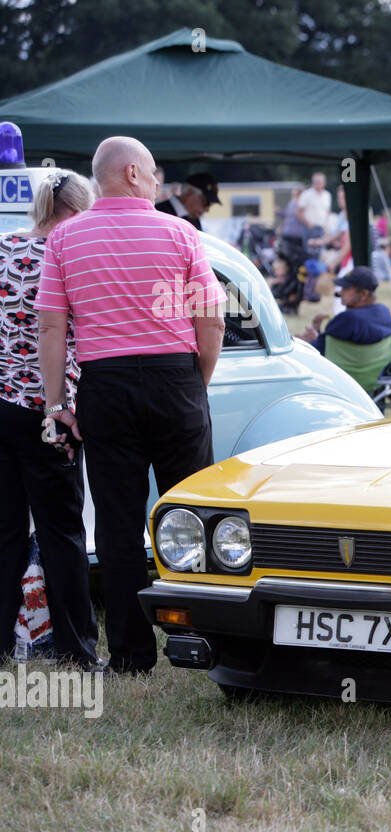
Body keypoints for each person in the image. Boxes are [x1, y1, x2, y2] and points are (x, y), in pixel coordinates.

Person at [35, 136, 226, 676]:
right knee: (195, 515)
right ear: (136, 174)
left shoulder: (66, 239)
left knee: (118, 527)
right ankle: (202, 640)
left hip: (106, 385)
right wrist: (196, 384)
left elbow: (52, 326)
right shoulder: (180, 233)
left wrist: (57, 405)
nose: (161, 181)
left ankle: (130, 655)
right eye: (156, 173)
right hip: (175, 379)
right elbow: (210, 321)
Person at [0, 170, 102, 670]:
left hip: (1, 407)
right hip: (49, 410)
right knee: (63, 532)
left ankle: (2, 640)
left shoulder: (3, 249)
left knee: (4, 530)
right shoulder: (71, 255)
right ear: (80, 210)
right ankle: (75, 650)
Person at [297, 266, 391, 354]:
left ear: (363, 294)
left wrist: (306, 341)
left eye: (346, 288)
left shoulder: (347, 319)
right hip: (376, 373)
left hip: (341, 373)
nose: (340, 292)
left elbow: (316, 351)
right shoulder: (385, 313)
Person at [155, 172, 221, 231]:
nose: (207, 209)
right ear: (189, 193)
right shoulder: (158, 213)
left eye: (210, 204)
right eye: (205, 202)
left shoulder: (193, 218)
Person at [297, 172, 331, 238]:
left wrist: (326, 226)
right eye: (315, 181)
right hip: (309, 229)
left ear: (324, 183)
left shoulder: (327, 195)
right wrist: (308, 224)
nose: (317, 184)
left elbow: (328, 212)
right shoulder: (306, 194)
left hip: (322, 229)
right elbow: (298, 212)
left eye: (319, 182)